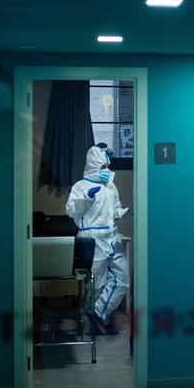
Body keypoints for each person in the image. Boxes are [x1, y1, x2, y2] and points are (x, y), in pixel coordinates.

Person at [65, 143, 130, 334]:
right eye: (102, 167)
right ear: (93, 166)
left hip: (112, 236)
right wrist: (86, 197)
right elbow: (71, 210)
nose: (106, 170)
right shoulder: (81, 186)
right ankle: (97, 322)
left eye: (107, 167)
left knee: (122, 278)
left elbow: (115, 209)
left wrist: (123, 213)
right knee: (97, 285)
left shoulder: (110, 186)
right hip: (92, 239)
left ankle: (98, 314)